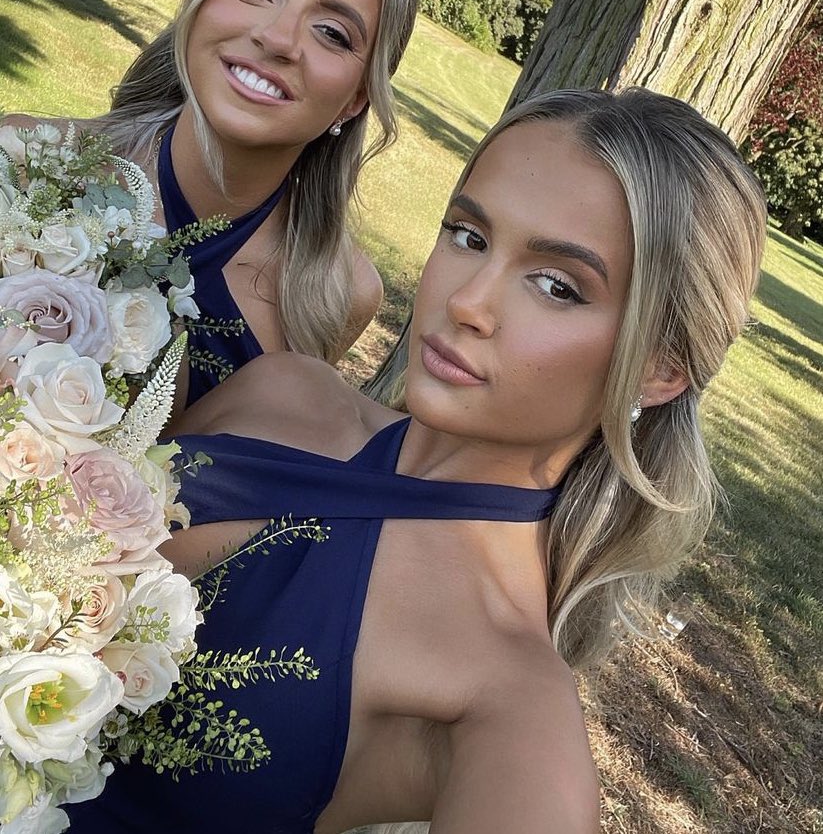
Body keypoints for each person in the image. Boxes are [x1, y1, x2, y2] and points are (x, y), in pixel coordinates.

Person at [69, 88, 767, 833]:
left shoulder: (502, 700)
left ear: (658, 369)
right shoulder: (282, 388)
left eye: (557, 286)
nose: (468, 300)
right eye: (468, 235)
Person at [2, 0, 420, 405]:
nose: (278, 38)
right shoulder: (23, 162)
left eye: (332, 32)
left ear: (357, 98)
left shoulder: (337, 295)